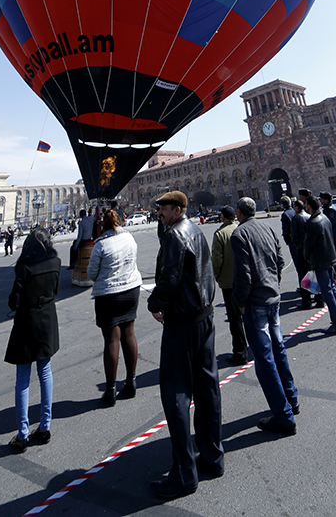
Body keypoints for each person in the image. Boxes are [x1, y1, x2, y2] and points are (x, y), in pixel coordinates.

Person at [147, 190, 223, 500]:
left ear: (176, 209)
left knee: (176, 393)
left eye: (162, 209)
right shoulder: (194, 229)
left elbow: (170, 277)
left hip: (182, 322)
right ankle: (212, 457)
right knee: (207, 387)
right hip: (204, 318)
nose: (159, 213)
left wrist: (154, 302)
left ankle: (183, 474)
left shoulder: (175, 237)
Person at [231, 197, 299, 435]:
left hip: (255, 302)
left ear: (238, 212)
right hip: (273, 298)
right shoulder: (267, 227)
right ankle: (292, 399)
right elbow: (280, 261)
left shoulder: (239, 235)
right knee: (278, 349)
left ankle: (283, 416)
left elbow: (244, 276)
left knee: (264, 359)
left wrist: (239, 303)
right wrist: (274, 285)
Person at [4, 228, 61, 452]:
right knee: (45, 372)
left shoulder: (24, 266)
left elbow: (13, 301)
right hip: (47, 319)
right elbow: (55, 289)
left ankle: (22, 434)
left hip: (27, 321)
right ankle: (45, 427)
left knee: (22, 379)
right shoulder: (56, 262)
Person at [87, 209, 142, 406]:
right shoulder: (130, 238)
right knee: (129, 333)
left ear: (103, 225)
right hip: (131, 290)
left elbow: (92, 273)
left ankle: (110, 390)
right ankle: (131, 382)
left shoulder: (101, 245)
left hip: (109, 295)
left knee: (112, 340)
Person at [303, 194, 336, 335]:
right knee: (332, 290)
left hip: (320, 261)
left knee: (327, 293)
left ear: (309, 206)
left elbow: (308, 245)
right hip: (330, 259)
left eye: (306, 204)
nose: (305, 206)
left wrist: (306, 257)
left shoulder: (313, 223)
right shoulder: (324, 218)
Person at [211, 205, 248, 365]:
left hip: (228, 282)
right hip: (246, 279)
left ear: (223, 217)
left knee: (235, 319)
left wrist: (217, 275)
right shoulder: (243, 229)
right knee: (250, 314)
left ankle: (240, 352)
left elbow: (217, 259)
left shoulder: (220, 234)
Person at [291, 200, 314, 309]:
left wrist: (296, 244)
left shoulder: (296, 218)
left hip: (301, 249)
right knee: (312, 274)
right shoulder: (309, 216)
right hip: (310, 249)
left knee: (303, 275)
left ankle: (306, 301)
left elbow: (294, 236)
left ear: (296, 207)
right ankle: (318, 298)